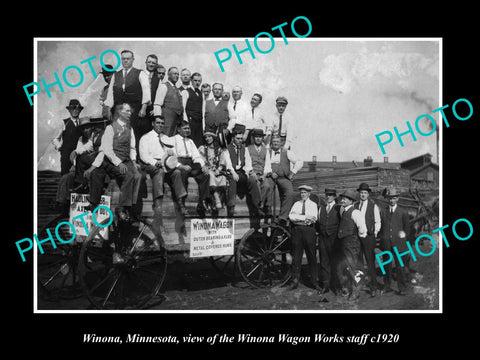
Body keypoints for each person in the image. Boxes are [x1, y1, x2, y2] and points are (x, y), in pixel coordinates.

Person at [87, 103, 142, 220]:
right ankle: (122, 208)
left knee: (138, 176)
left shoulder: (130, 129)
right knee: (128, 175)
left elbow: (132, 148)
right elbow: (107, 150)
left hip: (126, 159)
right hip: (112, 161)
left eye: (130, 111)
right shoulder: (110, 128)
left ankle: (131, 206)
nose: (130, 113)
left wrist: (133, 162)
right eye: (127, 111)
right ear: (120, 112)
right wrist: (119, 163)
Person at [139, 116, 189, 236]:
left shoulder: (166, 138)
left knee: (177, 173)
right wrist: (155, 163)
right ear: (153, 124)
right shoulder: (146, 137)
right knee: (159, 172)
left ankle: (181, 203)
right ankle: (158, 206)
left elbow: (172, 155)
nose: (160, 125)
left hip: (165, 163)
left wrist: (173, 158)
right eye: (158, 123)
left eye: (162, 123)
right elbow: (143, 156)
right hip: (151, 164)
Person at [103, 50, 151, 147]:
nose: (126, 61)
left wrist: (143, 108)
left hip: (134, 110)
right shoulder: (116, 75)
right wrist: (108, 109)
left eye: (128, 59)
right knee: (119, 133)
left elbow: (146, 92)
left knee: (133, 133)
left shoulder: (140, 73)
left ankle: (134, 159)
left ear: (133, 60)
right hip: (118, 110)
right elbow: (111, 94)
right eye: (123, 59)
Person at [171, 121, 210, 218]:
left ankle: (202, 203)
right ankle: (182, 203)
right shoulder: (173, 140)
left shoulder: (190, 141)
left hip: (190, 163)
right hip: (179, 163)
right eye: (185, 128)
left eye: (188, 128)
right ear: (179, 129)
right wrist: (181, 165)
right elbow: (172, 157)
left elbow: (196, 156)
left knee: (205, 174)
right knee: (182, 173)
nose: (187, 130)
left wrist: (203, 165)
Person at [226, 131, 263, 228]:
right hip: (231, 171)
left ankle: (257, 206)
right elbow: (228, 162)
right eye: (238, 138)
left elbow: (248, 162)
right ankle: (231, 206)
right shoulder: (227, 148)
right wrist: (233, 172)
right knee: (232, 180)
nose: (239, 140)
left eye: (241, 139)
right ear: (233, 138)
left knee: (252, 180)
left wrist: (250, 172)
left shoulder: (244, 148)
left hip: (241, 171)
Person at [378, 186, 411, 296]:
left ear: (398, 199)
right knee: (386, 267)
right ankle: (386, 286)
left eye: (394, 198)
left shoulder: (403, 212)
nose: (391, 200)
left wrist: (402, 237)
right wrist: (383, 238)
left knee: (400, 267)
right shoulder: (383, 211)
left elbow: (407, 229)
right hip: (386, 244)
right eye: (390, 198)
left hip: (399, 245)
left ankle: (402, 288)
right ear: (387, 199)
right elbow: (381, 227)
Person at [336, 189, 368, 301]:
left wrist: (355, 240)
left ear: (351, 201)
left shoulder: (355, 212)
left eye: (345, 199)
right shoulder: (343, 210)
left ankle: (356, 291)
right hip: (344, 244)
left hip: (352, 244)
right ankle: (348, 289)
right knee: (346, 267)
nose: (342, 200)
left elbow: (363, 229)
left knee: (353, 268)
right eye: (342, 198)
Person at [288, 185, 320, 290]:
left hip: (309, 231)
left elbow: (313, 218)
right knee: (296, 257)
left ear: (309, 194)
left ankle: (314, 281)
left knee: (312, 256)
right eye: (301, 193)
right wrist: (305, 217)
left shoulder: (313, 205)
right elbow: (291, 217)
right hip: (297, 231)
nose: (303, 195)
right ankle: (294, 281)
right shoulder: (296, 204)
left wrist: (299, 218)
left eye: (305, 193)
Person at [265, 135, 303, 226]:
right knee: (267, 190)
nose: (275, 143)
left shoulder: (287, 152)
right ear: (271, 143)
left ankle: (282, 217)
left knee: (290, 193)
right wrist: (270, 173)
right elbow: (264, 166)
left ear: (281, 143)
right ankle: (268, 214)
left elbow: (299, 161)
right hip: (270, 177)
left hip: (283, 178)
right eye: (274, 141)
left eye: (277, 141)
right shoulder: (267, 152)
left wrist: (293, 172)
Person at [354, 182, 382, 297]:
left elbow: (378, 221)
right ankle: (359, 285)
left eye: (365, 193)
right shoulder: (355, 206)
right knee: (358, 262)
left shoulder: (373, 206)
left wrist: (374, 233)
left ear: (368, 194)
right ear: (359, 194)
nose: (363, 195)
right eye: (361, 193)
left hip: (369, 238)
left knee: (370, 262)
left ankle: (374, 286)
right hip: (357, 238)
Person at [198, 129, 233, 214]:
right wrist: (207, 167)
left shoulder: (219, 149)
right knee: (210, 175)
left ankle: (218, 203)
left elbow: (222, 162)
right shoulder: (202, 148)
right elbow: (200, 160)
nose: (207, 139)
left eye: (209, 136)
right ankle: (216, 198)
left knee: (223, 178)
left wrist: (219, 169)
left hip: (217, 170)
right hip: (207, 170)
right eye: (206, 137)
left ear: (213, 137)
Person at [70, 117, 107, 191]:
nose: (85, 130)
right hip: (84, 164)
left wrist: (76, 151)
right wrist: (74, 164)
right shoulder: (81, 139)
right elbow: (77, 153)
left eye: (87, 128)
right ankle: (80, 184)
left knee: (81, 157)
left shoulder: (94, 136)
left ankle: (81, 183)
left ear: (91, 127)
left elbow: (88, 147)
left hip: (95, 161)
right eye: (83, 129)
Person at [316, 188, 342, 294]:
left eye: (331, 195)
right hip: (323, 238)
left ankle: (336, 286)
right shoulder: (321, 208)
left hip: (334, 238)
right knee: (324, 261)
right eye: (327, 195)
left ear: (334, 196)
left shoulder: (338, 208)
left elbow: (342, 223)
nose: (328, 197)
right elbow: (318, 222)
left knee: (335, 262)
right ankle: (325, 285)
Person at [52, 99, 84, 175]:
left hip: (80, 155)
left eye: (77, 108)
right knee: (65, 175)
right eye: (73, 108)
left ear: (80, 110)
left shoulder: (83, 124)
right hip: (66, 155)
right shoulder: (64, 123)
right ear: (69, 110)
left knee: (79, 176)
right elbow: (55, 139)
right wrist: (60, 147)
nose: (75, 110)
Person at [246, 128, 272, 216]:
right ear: (253, 138)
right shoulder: (248, 149)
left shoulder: (266, 150)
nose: (258, 139)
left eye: (260, 137)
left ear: (262, 138)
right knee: (255, 183)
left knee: (266, 185)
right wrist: (252, 172)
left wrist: (264, 175)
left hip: (262, 173)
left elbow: (268, 164)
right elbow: (247, 163)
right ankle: (257, 207)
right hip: (252, 173)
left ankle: (259, 206)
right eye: (256, 137)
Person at [153, 67, 185, 136]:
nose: (176, 76)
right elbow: (157, 104)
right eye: (174, 74)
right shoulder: (164, 86)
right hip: (167, 120)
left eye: (177, 74)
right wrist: (158, 119)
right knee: (166, 138)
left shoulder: (177, 89)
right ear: (169, 75)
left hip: (177, 121)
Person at [182, 72, 204, 147]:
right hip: (190, 121)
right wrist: (186, 122)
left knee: (199, 142)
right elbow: (183, 108)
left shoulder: (201, 93)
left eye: (199, 81)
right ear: (191, 80)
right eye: (195, 80)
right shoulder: (186, 92)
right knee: (190, 141)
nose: (197, 83)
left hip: (199, 122)